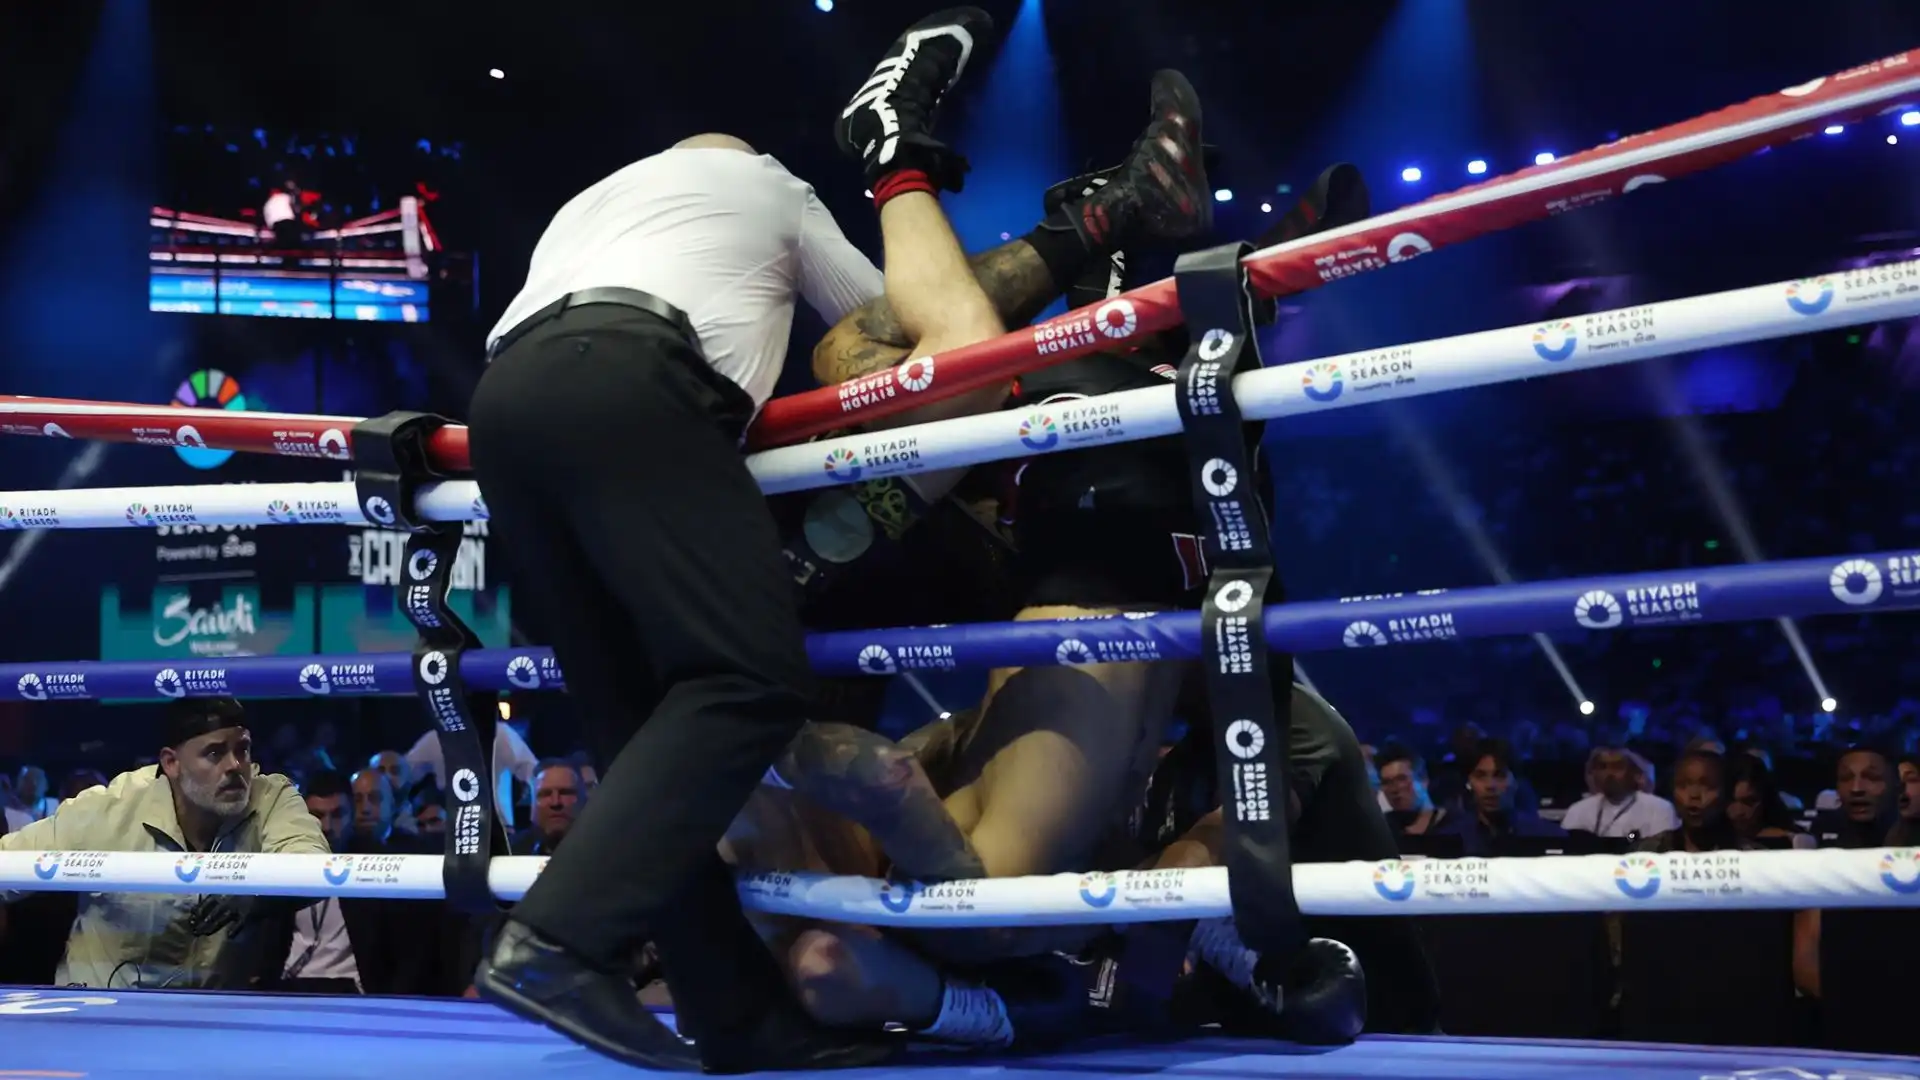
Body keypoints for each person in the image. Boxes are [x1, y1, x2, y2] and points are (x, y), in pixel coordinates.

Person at [471, 8, 1008, 1072]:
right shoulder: (773, 188)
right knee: (751, 679)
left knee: (639, 734)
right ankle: (559, 941)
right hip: (633, 381)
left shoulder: (591, 205)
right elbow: (903, 339)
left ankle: (734, 1015)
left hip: (506, 406)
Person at [0, 697, 327, 988]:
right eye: (214, 753)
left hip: (211, 1023)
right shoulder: (108, 810)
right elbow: (6, 864)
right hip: (101, 1017)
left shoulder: (270, 798)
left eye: (242, 749)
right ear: (171, 763)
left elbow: (312, 864)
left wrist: (256, 895)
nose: (234, 767)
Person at [1431, 737, 1564, 855]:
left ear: (1516, 782)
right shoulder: (1448, 840)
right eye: (1480, 776)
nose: (1490, 785)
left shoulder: (1549, 836)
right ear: (1468, 782)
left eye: (1500, 776)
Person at [1559, 745, 1679, 840]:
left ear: (1635, 773)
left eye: (1617, 767)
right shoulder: (1578, 810)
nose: (1609, 774)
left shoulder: (1659, 808)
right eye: (1602, 767)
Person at [1635, 750, 1745, 853]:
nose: (1694, 795)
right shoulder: (1649, 852)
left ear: (1727, 793)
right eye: (1683, 785)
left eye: (1707, 786)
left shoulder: (1750, 856)